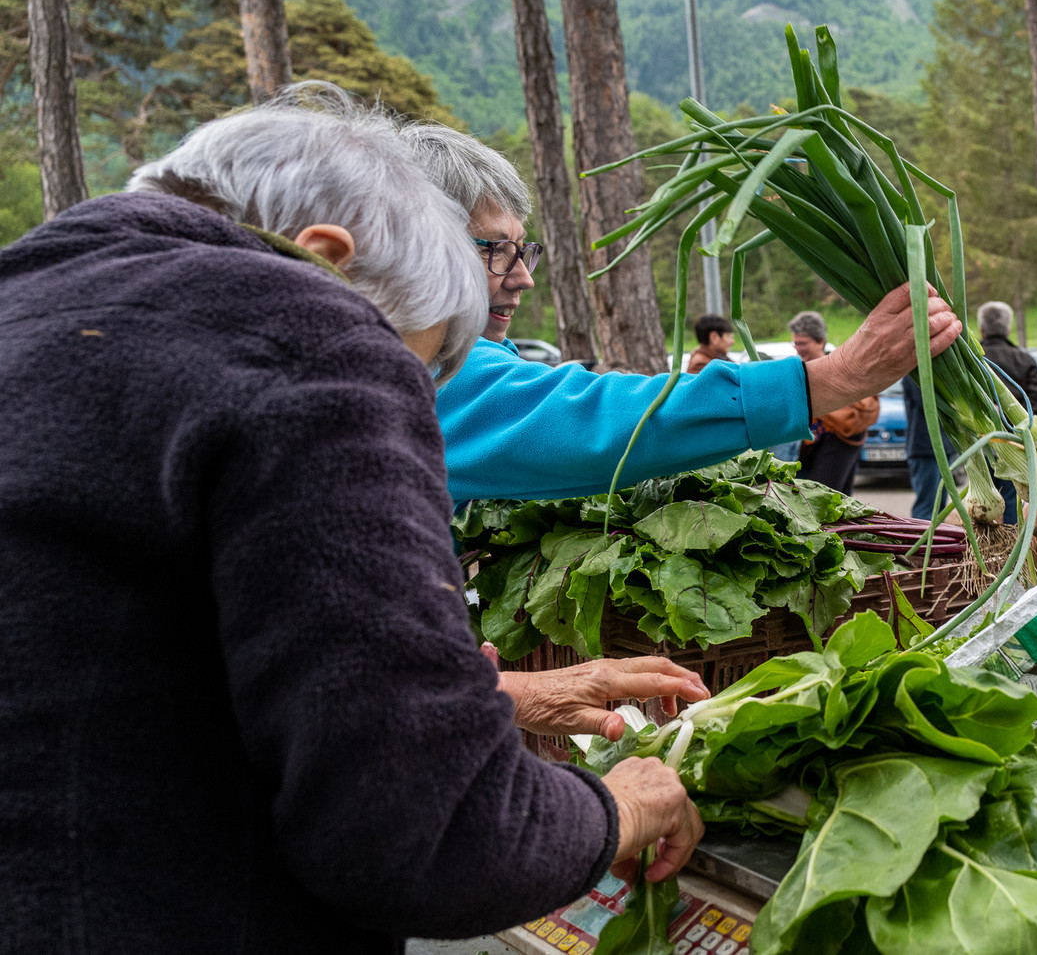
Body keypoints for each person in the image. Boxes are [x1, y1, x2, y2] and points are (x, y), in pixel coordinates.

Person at [0, 89, 715, 951]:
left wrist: (498, 695)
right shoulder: (303, 332)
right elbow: (432, 835)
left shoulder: (36, 304)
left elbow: (104, 664)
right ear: (326, 259)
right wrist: (623, 803)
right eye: (409, 368)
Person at [396, 124, 960, 502]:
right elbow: (600, 421)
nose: (523, 277)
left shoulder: (454, 362)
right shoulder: (431, 377)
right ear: (417, 246)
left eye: (525, 250)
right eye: (494, 249)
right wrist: (838, 376)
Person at [788, 310, 880, 494]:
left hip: (838, 447)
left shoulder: (841, 368)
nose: (798, 348)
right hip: (805, 455)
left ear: (820, 341)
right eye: (796, 343)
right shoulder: (796, 371)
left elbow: (864, 408)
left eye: (803, 343)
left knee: (825, 502)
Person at [977, 301, 1037, 523]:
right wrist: (1009, 422)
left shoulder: (969, 359)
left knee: (981, 497)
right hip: (1013, 442)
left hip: (976, 443)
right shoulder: (1023, 359)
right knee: (1011, 496)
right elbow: (1036, 401)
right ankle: (1011, 547)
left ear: (981, 329)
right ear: (1008, 328)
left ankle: (983, 549)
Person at [902, 375, 957, 521]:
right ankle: (923, 541)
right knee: (927, 507)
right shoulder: (916, 372)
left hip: (943, 447)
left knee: (939, 507)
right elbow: (927, 402)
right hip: (924, 447)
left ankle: (935, 542)